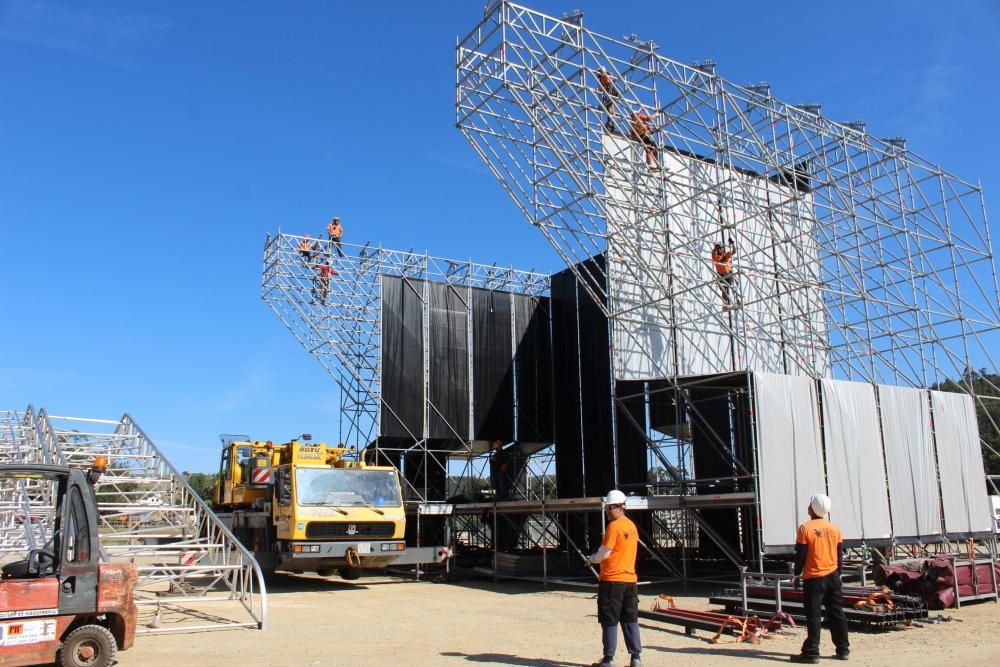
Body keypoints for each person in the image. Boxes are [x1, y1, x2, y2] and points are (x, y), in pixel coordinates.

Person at [790, 494, 850, 664]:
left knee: (814, 616)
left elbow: (800, 556)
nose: (808, 506)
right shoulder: (835, 529)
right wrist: (838, 574)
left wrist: (796, 574)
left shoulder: (805, 529)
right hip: (833, 577)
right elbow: (839, 556)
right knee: (837, 613)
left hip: (814, 579)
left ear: (812, 509)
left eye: (810, 504)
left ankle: (811, 653)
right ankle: (843, 649)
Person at [588, 490, 641, 667]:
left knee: (609, 619)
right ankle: (636, 658)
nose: (608, 511)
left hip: (612, 580)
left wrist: (592, 559)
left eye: (611, 508)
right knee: (629, 618)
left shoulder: (613, 527)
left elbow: (605, 553)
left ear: (621, 507)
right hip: (630, 581)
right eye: (607, 508)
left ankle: (608, 659)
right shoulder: (632, 526)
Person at [711, 239, 739, 309]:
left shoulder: (725, 256)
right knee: (724, 290)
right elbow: (713, 253)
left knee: (733, 286)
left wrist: (733, 244)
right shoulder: (716, 257)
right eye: (719, 248)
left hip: (728, 273)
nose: (720, 250)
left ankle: (737, 299)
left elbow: (734, 251)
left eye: (721, 248)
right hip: (721, 275)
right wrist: (715, 247)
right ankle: (725, 304)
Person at [596, 68, 620, 133]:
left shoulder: (605, 75)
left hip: (611, 89)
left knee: (609, 105)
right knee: (611, 106)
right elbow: (600, 91)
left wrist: (605, 72)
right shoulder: (601, 79)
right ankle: (612, 121)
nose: (598, 74)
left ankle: (611, 121)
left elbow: (611, 74)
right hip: (610, 90)